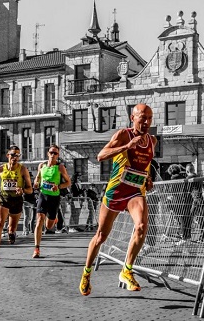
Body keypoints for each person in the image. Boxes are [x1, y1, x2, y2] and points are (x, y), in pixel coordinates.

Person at [79, 103, 157, 295]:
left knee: (141, 226)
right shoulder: (124, 134)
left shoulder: (153, 141)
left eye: (149, 118)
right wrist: (126, 146)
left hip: (134, 193)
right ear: (133, 118)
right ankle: (86, 274)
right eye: (142, 118)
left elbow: (144, 165)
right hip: (115, 192)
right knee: (100, 237)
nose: (146, 122)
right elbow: (100, 155)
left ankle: (127, 270)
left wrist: (148, 178)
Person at [0, 145, 33, 262]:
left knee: (12, 228)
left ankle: (11, 233)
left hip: (17, 200)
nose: (15, 157)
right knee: (0, 223)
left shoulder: (23, 170)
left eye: (17, 155)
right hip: (4, 198)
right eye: (13, 154)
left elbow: (30, 189)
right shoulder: (1, 168)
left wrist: (22, 190)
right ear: (8, 155)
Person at [31, 144, 71, 258]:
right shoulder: (42, 165)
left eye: (55, 153)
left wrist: (58, 186)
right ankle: (36, 249)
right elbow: (38, 177)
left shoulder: (60, 167)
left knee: (48, 226)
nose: (53, 155)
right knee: (39, 220)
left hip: (54, 198)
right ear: (48, 154)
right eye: (51, 152)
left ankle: (54, 219)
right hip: (43, 195)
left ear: (58, 155)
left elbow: (68, 183)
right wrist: (36, 183)